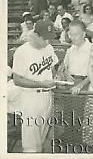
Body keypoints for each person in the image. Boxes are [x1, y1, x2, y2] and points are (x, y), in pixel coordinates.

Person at [12, 20, 58, 152]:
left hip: (47, 96)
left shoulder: (48, 48)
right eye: (45, 38)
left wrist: (57, 76)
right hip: (31, 98)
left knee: (41, 139)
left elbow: (52, 66)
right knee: (31, 144)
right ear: (35, 35)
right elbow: (17, 79)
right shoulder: (22, 51)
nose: (48, 41)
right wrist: (40, 83)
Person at [62, 20, 92, 92]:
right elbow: (64, 67)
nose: (72, 38)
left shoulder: (92, 49)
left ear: (84, 34)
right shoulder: (70, 50)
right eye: (71, 35)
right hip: (70, 85)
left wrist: (80, 85)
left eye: (76, 35)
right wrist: (66, 74)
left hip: (86, 86)